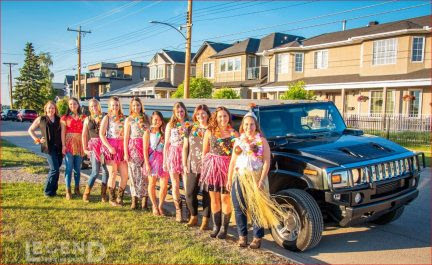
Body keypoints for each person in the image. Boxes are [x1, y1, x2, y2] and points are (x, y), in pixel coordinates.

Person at [227, 111, 287, 249]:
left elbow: (266, 162)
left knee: (256, 208)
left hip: (256, 177)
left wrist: (261, 180)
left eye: (252, 124)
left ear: (256, 125)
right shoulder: (238, 140)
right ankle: (242, 237)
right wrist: (229, 179)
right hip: (239, 176)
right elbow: (232, 161)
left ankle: (257, 238)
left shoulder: (262, 141)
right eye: (246, 124)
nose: (249, 127)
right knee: (239, 207)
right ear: (243, 126)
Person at [200, 106, 239, 239]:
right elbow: (205, 152)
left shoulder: (234, 134)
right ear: (216, 118)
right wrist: (205, 169)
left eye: (225, 116)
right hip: (212, 169)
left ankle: (224, 228)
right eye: (220, 116)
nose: (223, 118)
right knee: (214, 198)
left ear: (229, 117)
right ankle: (216, 226)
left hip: (227, 169)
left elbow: (238, 154)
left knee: (225, 198)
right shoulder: (209, 132)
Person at [182, 104, 211, 229]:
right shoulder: (190, 128)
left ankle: (205, 220)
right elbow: (185, 147)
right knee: (189, 193)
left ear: (208, 114)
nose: (201, 116)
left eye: (203, 113)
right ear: (195, 115)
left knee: (207, 194)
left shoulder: (212, 129)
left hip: (208, 166)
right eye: (198, 114)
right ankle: (193, 216)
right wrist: (184, 164)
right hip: (192, 164)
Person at [28, 101, 63, 197]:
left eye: (53, 108)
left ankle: (53, 191)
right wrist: (37, 140)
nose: (51, 110)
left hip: (59, 147)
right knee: (54, 169)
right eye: (49, 108)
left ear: (55, 109)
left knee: (56, 169)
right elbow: (30, 130)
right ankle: (47, 191)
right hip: (48, 147)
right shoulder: (41, 119)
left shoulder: (59, 119)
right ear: (46, 109)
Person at [164, 102, 191, 222]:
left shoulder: (189, 124)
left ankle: (189, 211)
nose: (180, 113)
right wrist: (165, 160)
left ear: (185, 111)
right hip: (173, 154)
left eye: (182, 111)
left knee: (186, 184)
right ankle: (178, 211)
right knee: (175, 184)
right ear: (174, 113)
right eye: (177, 111)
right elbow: (166, 144)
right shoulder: (170, 125)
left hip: (186, 154)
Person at [100, 96, 128, 206]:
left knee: (125, 174)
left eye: (117, 105)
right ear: (110, 106)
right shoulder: (107, 117)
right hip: (111, 147)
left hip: (121, 147)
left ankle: (119, 197)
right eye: (113, 105)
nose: (115, 107)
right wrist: (109, 147)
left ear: (119, 105)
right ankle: (112, 198)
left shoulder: (124, 118)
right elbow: (102, 134)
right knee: (113, 173)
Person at [124, 97, 150, 210]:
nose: (136, 107)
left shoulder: (146, 117)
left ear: (141, 106)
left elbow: (151, 131)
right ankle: (134, 199)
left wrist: (146, 127)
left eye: (138, 105)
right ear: (131, 107)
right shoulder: (129, 119)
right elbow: (126, 137)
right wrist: (126, 152)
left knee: (144, 174)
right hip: (133, 147)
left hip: (145, 146)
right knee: (133, 173)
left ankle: (144, 199)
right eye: (134, 105)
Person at [81, 98, 109, 203]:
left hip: (104, 146)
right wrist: (84, 148)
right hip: (94, 147)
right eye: (92, 106)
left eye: (95, 105)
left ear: (99, 106)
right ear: (89, 108)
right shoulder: (87, 119)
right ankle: (86, 193)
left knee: (105, 170)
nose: (94, 108)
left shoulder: (105, 116)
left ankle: (103, 194)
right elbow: (84, 135)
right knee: (95, 171)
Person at [144, 111, 169, 216]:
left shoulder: (165, 132)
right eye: (155, 119)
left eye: (159, 119)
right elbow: (145, 149)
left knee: (164, 185)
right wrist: (147, 164)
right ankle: (154, 205)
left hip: (164, 159)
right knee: (152, 183)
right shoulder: (148, 132)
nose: (157, 122)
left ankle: (160, 206)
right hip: (152, 159)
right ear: (151, 120)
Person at [61, 97, 86, 199]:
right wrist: (63, 145)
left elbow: (86, 132)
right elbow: (63, 132)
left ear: (78, 105)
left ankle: (77, 188)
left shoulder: (83, 117)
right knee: (68, 168)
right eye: (70, 104)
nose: (73, 106)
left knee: (77, 169)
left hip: (79, 144)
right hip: (69, 144)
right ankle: (68, 190)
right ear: (68, 106)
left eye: (75, 104)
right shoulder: (64, 118)